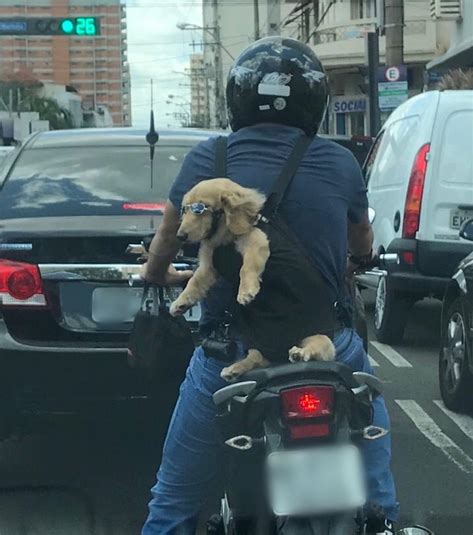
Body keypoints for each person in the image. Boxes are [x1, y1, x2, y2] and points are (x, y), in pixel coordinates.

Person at [141, 36, 399, 535]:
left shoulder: (205, 161)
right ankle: (386, 520)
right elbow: (360, 236)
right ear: (315, 102)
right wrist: (359, 260)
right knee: (373, 441)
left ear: (236, 99)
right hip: (324, 346)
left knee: (173, 499)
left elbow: (170, 236)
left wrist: (156, 275)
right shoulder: (340, 160)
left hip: (231, 353)